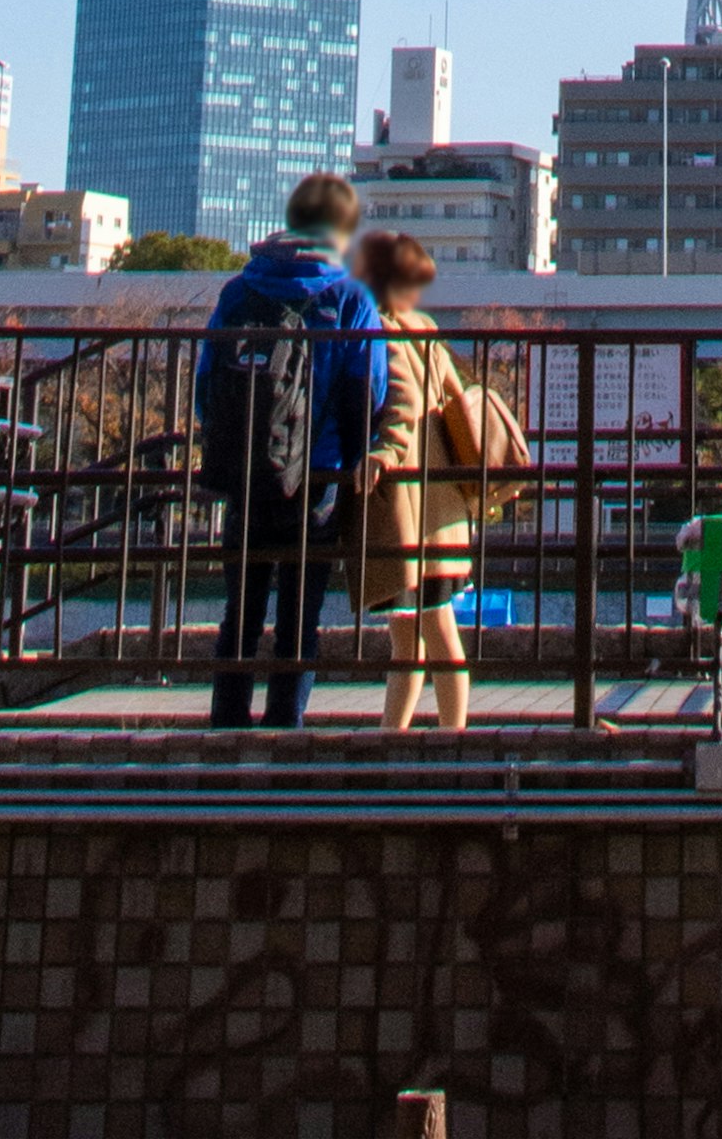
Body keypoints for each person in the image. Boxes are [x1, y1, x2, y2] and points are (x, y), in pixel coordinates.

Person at [197, 167, 388, 727]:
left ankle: (227, 727)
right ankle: (284, 730)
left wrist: (231, 443)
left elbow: (207, 386)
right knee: (299, 615)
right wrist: (356, 457)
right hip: (318, 478)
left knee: (242, 608)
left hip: (244, 474)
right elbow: (369, 386)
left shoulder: (239, 292)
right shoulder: (349, 297)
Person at [354, 229, 523, 735]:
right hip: (445, 504)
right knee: (418, 632)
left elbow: (402, 402)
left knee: (424, 631)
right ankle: (400, 735)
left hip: (412, 504)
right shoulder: (423, 327)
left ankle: (449, 739)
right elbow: (460, 398)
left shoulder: (383, 330)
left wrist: (382, 450)